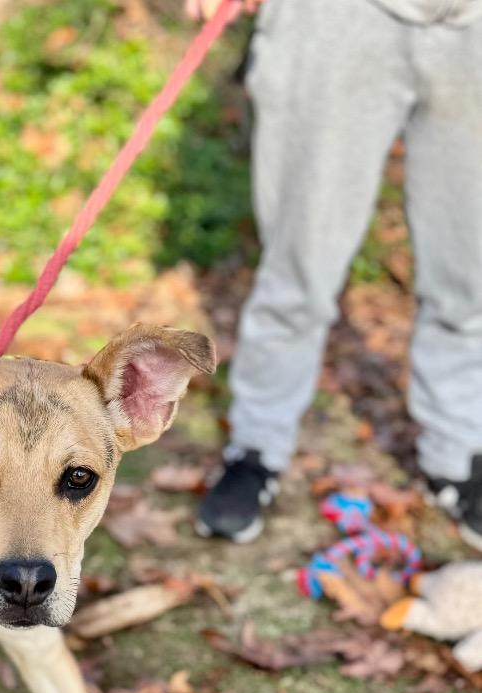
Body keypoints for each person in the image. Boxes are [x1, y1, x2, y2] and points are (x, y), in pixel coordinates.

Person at [186, 0, 482, 548]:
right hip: (337, 20)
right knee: (297, 269)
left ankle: (460, 453)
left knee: (470, 275)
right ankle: (256, 447)